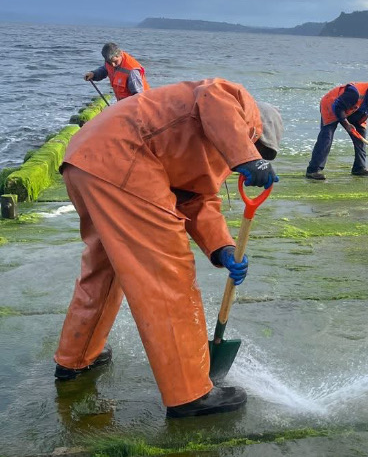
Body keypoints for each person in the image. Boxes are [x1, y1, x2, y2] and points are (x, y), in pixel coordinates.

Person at [53, 78, 283, 418]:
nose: (257, 162)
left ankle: (76, 358)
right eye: (261, 152)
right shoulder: (237, 107)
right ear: (254, 134)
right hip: (125, 158)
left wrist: (223, 248)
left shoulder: (208, 150)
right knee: (168, 276)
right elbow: (212, 96)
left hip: (87, 161)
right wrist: (246, 158)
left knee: (105, 270)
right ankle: (190, 393)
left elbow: (197, 199)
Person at [305, 78, 368, 180]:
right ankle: (313, 170)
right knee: (326, 137)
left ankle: (359, 168)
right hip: (332, 106)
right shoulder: (354, 93)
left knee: (360, 138)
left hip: (353, 110)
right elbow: (337, 107)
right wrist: (346, 124)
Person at [83, 42, 150, 101]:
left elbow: (139, 97)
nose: (113, 65)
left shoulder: (132, 71)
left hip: (135, 105)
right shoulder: (110, 62)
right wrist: (93, 74)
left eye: (115, 61)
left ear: (120, 54)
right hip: (122, 104)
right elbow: (105, 69)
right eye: (109, 62)